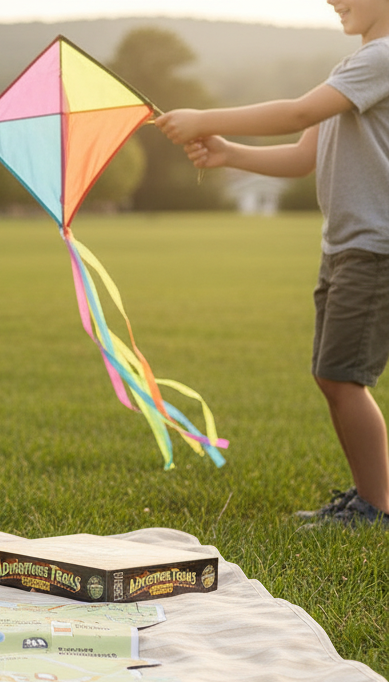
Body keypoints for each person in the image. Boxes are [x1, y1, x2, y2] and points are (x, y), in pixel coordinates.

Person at [157, 0, 389, 528]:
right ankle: (368, 499)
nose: (331, 1)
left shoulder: (382, 59)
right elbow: (306, 153)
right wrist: (228, 153)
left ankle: (377, 508)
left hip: (375, 248)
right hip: (345, 247)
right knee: (332, 377)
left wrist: (204, 117)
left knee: (344, 377)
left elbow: (297, 112)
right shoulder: (353, 68)